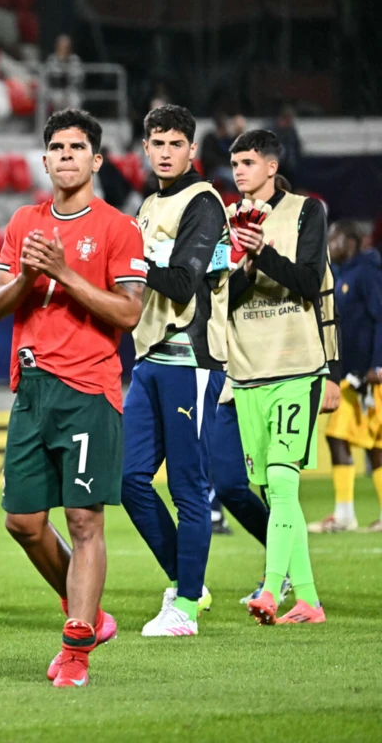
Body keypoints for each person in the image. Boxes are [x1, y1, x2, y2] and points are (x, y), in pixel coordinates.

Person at [0, 109, 147, 687]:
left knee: (83, 520)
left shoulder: (117, 228)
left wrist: (67, 275)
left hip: (88, 390)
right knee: (22, 523)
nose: (67, 155)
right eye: (57, 147)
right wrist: (31, 276)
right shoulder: (24, 220)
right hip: (30, 390)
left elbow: (130, 312)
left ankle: (75, 648)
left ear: (97, 160)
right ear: (46, 159)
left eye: (78, 147)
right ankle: (90, 613)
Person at [121, 105, 228, 637]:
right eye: (156, 143)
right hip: (149, 357)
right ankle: (188, 581)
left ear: (192, 150)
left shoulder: (203, 202)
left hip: (192, 358)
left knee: (188, 486)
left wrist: (132, 261)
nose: (165, 152)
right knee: (129, 480)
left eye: (175, 143)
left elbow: (184, 284)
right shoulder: (148, 205)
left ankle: (184, 607)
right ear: (145, 148)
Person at [226, 129, 340, 626]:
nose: (239, 171)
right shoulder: (226, 220)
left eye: (248, 162)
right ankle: (309, 600)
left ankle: (270, 589)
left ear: (272, 167)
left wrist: (261, 253)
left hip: (297, 365)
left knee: (281, 477)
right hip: (247, 371)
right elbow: (217, 300)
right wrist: (244, 267)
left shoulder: (306, 211)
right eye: (235, 163)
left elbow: (311, 282)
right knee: (272, 489)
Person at [309, 221, 382, 533]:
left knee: (355, 439)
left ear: (352, 241)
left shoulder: (366, 273)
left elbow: (381, 318)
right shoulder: (342, 275)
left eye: (335, 237)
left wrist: (378, 365)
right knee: (368, 443)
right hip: (352, 375)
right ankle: (344, 514)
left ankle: (344, 515)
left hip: (367, 376)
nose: (330, 243)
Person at [44, 34, 83, 113]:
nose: (64, 48)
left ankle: (73, 122)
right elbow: (48, 76)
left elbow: (79, 76)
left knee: (76, 99)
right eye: (61, 46)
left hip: (70, 90)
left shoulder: (74, 59)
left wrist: (68, 73)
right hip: (55, 90)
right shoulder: (52, 59)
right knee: (55, 100)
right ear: (57, 46)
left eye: (66, 46)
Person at [271, 104, 302, 186]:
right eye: (289, 118)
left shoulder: (292, 131)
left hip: (290, 167)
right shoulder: (272, 130)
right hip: (277, 166)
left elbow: (297, 147)